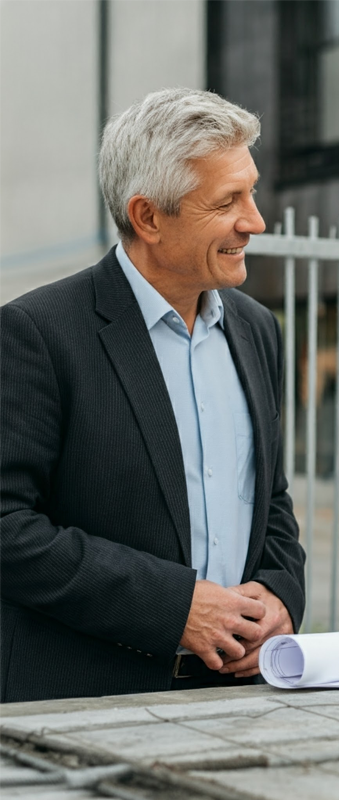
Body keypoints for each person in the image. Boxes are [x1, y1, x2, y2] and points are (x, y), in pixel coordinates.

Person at [0, 88, 305, 701]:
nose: (255, 220)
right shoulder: (36, 333)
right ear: (148, 218)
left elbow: (269, 500)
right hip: (82, 708)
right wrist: (174, 608)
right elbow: (9, 527)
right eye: (228, 201)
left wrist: (278, 593)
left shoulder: (256, 330)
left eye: (251, 191)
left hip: (237, 696)